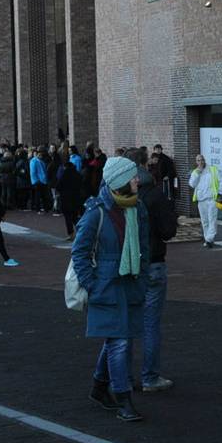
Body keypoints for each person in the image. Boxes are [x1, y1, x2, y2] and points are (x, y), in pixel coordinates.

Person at [71, 155, 150, 423]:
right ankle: (124, 400)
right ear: (119, 181)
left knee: (117, 336)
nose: (137, 179)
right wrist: (92, 284)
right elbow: (79, 253)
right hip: (106, 286)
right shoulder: (97, 213)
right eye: (132, 176)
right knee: (120, 342)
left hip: (130, 283)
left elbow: (144, 247)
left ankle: (98, 387)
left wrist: (144, 276)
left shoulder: (138, 209)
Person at [129, 149, 178, 393]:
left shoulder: (118, 197)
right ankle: (149, 376)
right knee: (150, 324)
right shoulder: (155, 196)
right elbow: (169, 231)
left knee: (124, 324)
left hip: (127, 265)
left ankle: (120, 376)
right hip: (154, 263)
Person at [188, 154, 222, 247]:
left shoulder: (213, 170)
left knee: (212, 219)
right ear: (196, 162)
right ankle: (208, 239)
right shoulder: (195, 172)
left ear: (204, 160)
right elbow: (192, 184)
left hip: (212, 199)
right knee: (205, 221)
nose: (200, 162)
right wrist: (197, 174)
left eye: (202, 160)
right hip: (201, 199)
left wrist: (220, 193)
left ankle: (209, 238)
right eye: (198, 160)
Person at [57, 146, 84, 239]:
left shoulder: (64, 176)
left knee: (68, 218)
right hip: (76, 199)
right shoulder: (78, 175)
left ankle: (71, 234)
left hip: (65, 199)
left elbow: (59, 186)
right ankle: (81, 230)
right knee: (75, 217)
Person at [29, 149, 49, 214]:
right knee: (38, 196)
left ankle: (44, 208)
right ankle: (38, 209)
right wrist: (36, 180)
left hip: (42, 180)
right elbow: (33, 172)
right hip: (38, 181)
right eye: (40, 155)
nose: (41, 156)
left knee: (43, 195)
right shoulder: (33, 161)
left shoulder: (40, 161)